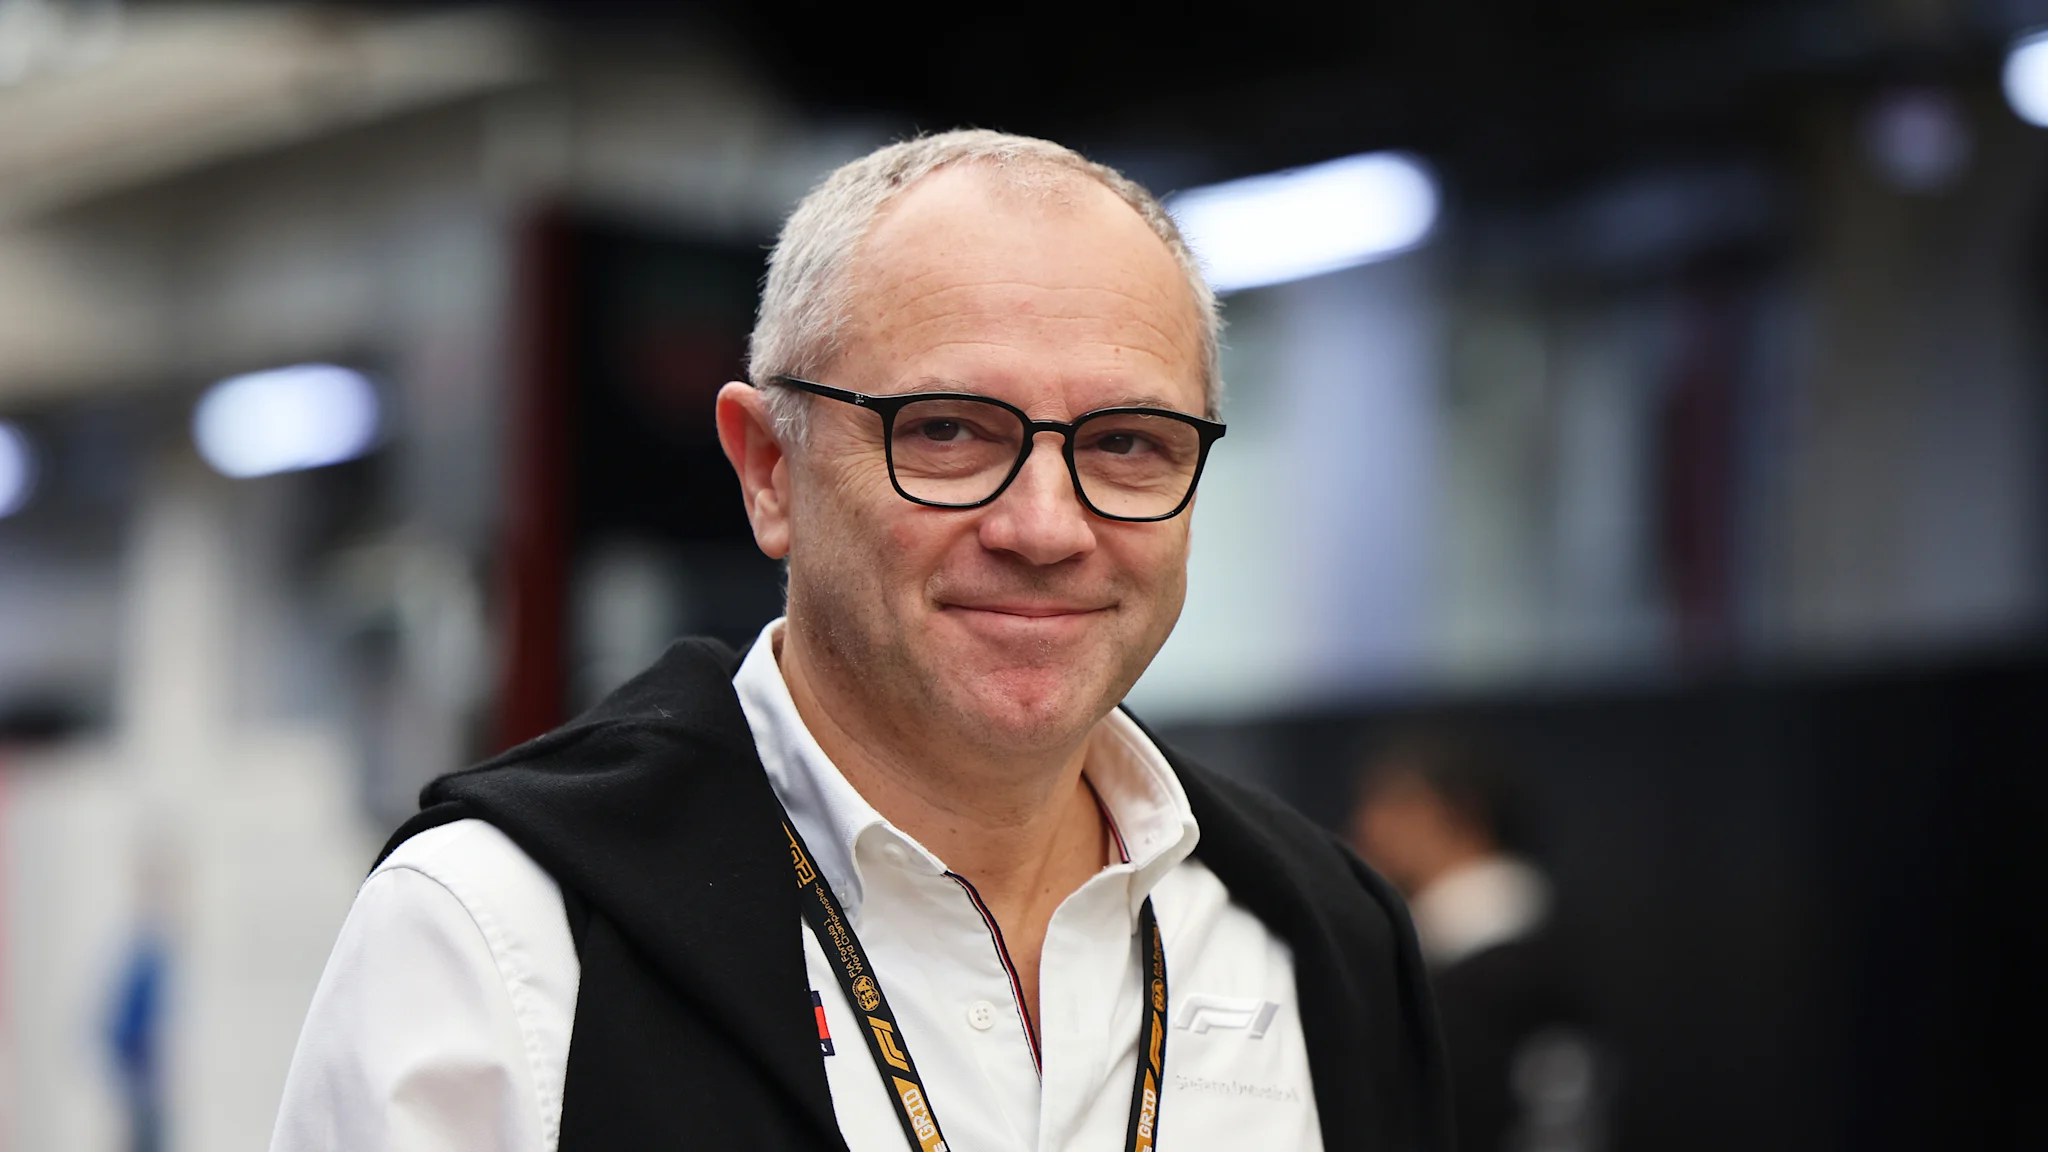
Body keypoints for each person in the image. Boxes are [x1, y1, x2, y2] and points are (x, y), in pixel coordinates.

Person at [271, 129, 1449, 1152]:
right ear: (767, 470)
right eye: (946, 431)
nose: (1046, 527)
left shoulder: (1321, 939)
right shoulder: (502, 932)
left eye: (1127, 444)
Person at [1350, 729, 1607, 1152]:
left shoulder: (1471, 982)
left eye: (1392, 806)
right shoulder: (1559, 941)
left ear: (1462, 814)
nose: (1367, 828)